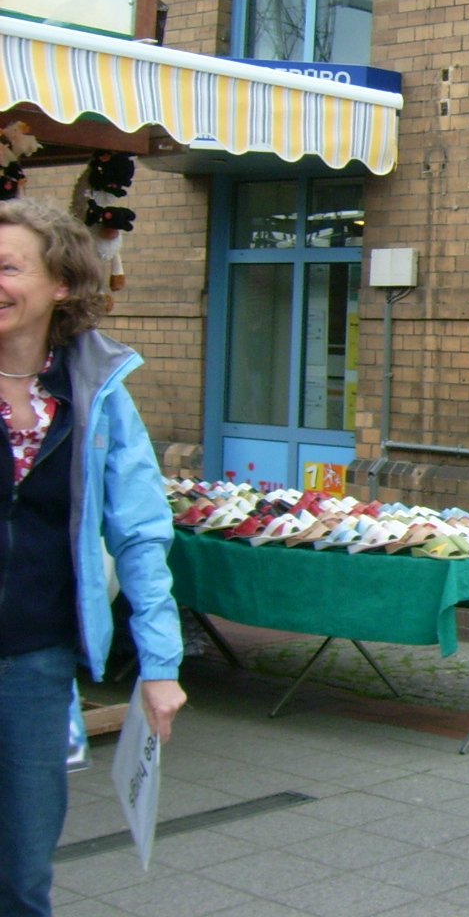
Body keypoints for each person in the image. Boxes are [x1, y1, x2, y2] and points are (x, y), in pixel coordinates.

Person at [0, 198, 186, 917]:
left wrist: (161, 666)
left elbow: (141, 533)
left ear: (63, 285)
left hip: (34, 665)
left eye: (10, 267)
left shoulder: (96, 395)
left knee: (22, 874)